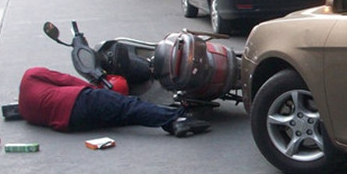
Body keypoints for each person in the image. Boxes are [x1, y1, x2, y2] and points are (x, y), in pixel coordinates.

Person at [18, 67, 210, 137]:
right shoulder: (32, 74)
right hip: (80, 100)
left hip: (72, 123)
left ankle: (166, 117)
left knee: (124, 112)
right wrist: (98, 91)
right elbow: (67, 80)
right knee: (128, 106)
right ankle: (177, 119)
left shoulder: (25, 109)